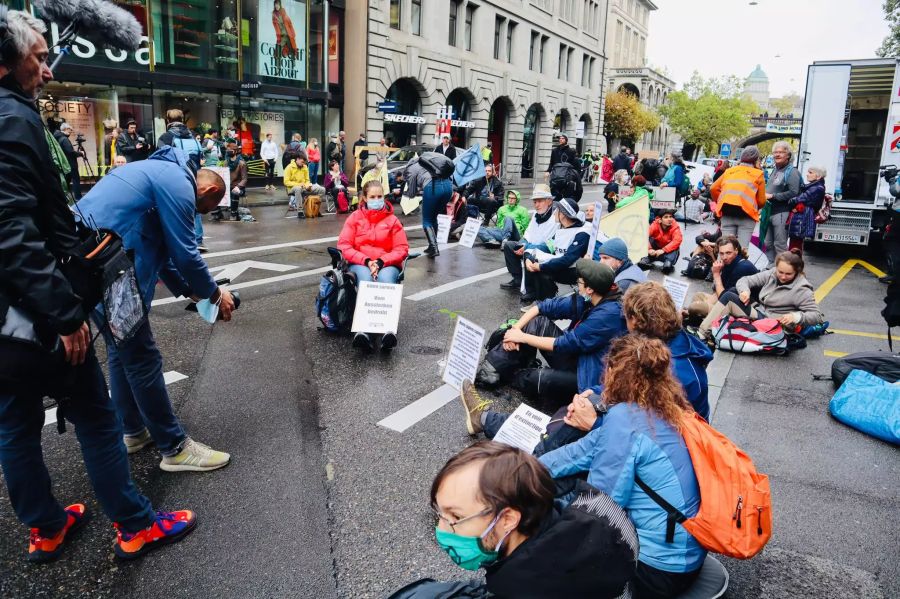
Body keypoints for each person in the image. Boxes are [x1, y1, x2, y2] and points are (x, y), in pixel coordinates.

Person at [0, 10, 197, 562]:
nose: (46, 69)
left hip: (6, 317)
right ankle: (135, 525)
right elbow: (13, 231)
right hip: (37, 307)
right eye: (37, 58)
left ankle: (47, 527)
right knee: (94, 415)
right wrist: (63, 314)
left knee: (14, 419)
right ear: (5, 63)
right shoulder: (12, 119)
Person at [76, 145, 235, 472]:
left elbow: (164, 254)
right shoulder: (178, 182)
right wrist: (216, 295)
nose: (198, 214)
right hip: (110, 274)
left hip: (89, 267)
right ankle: (175, 448)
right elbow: (186, 254)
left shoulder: (156, 173)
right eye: (203, 208)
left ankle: (133, 431)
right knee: (143, 358)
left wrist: (192, 292)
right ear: (208, 190)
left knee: (123, 356)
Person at [538, 335, 706, 598]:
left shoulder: (624, 419)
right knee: (555, 484)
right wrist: (524, 470)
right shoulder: (662, 409)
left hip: (657, 571)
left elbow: (599, 512)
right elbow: (576, 454)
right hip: (683, 553)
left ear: (615, 373)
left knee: (552, 548)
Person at [406, 441, 636, 599]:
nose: (441, 529)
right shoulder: (591, 517)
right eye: (439, 513)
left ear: (507, 519)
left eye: (455, 516)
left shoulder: (521, 588)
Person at [476, 261, 626, 409]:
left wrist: (522, 337)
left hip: (587, 374)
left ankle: (516, 373)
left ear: (589, 289)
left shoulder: (608, 315)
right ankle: (492, 368)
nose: (577, 284)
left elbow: (566, 343)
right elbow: (544, 307)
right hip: (575, 355)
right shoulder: (592, 297)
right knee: (537, 321)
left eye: (579, 282)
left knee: (534, 379)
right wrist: (514, 330)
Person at [337, 180, 409, 352]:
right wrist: (367, 261)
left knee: (386, 281)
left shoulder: (392, 220)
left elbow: (402, 248)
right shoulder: (354, 218)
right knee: (366, 281)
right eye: (373, 197)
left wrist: (382, 261)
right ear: (364, 198)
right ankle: (364, 332)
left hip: (387, 263)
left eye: (380, 196)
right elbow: (344, 246)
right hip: (361, 262)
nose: (377, 200)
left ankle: (388, 331)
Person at [698, 250, 825, 339]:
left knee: (728, 297)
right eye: (780, 272)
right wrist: (745, 291)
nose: (783, 276)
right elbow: (744, 280)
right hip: (762, 312)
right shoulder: (773, 273)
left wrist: (796, 317)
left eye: (788, 274)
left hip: (774, 323)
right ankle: (711, 324)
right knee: (733, 291)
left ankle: (702, 333)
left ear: (797, 272)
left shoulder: (802, 289)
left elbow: (817, 316)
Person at [522, 197, 592, 303]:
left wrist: (541, 267)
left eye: (556, 211)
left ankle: (546, 303)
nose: (554, 214)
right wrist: (529, 256)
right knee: (535, 263)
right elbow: (547, 246)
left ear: (563, 214)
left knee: (543, 271)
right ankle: (539, 299)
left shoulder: (581, 234)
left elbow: (567, 260)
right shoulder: (562, 228)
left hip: (576, 271)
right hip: (564, 266)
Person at [686, 235, 758, 324]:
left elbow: (724, 298)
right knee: (698, 296)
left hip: (744, 309)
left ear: (736, 251)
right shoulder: (730, 262)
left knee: (695, 307)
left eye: (728, 253)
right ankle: (695, 321)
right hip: (730, 300)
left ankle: (702, 325)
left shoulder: (742, 267)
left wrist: (716, 274)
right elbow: (716, 290)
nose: (724, 257)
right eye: (721, 253)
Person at [499, 184, 559, 291]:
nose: (536, 205)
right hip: (530, 246)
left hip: (545, 252)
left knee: (529, 253)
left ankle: (531, 287)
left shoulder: (556, 216)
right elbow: (528, 234)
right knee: (509, 246)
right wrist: (523, 244)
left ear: (549, 201)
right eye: (535, 202)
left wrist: (526, 247)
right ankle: (518, 279)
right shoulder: (537, 214)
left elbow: (550, 245)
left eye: (540, 201)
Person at [709, 146, 767, 249]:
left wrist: (721, 201)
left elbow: (713, 188)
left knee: (725, 248)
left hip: (727, 212)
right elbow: (762, 201)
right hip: (747, 216)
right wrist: (753, 205)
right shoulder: (758, 174)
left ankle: (721, 264)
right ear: (756, 159)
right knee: (742, 249)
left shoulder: (730, 171)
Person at [403, 153, 454, 257]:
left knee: (427, 219)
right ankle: (432, 246)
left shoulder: (410, 169)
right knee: (433, 217)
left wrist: (403, 193)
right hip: (449, 187)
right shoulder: (430, 160)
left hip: (434, 187)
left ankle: (434, 248)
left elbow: (412, 194)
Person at [765, 141, 801, 266]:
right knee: (767, 243)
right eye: (775, 152)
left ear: (788, 155)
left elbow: (794, 192)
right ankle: (771, 266)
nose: (777, 154)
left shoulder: (792, 172)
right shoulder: (774, 170)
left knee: (779, 244)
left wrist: (773, 196)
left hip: (782, 212)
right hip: (768, 212)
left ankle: (783, 269)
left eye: (781, 152)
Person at [787, 165, 826, 255]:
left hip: (802, 219)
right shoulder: (814, 186)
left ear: (818, 176)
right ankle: (794, 266)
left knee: (795, 246)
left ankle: (794, 266)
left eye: (810, 172)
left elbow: (799, 199)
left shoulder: (817, 188)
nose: (807, 174)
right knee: (795, 244)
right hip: (801, 218)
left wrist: (790, 200)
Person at [639, 209, 683, 274]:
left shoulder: (675, 226)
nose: (669, 219)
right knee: (650, 240)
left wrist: (663, 250)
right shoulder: (654, 225)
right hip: (656, 247)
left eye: (670, 217)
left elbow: (677, 240)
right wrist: (649, 249)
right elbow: (644, 236)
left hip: (668, 251)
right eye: (666, 217)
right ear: (660, 220)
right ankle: (646, 259)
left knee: (668, 265)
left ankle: (668, 263)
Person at [52, 122, 81, 199]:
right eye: (70, 130)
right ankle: (78, 197)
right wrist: (80, 153)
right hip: (70, 163)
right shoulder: (64, 139)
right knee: (75, 180)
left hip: (65, 163)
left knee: (66, 181)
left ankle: (64, 197)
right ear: (66, 129)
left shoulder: (58, 138)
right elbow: (70, 152)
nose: (71, 132)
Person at [225, 142, 248, 221]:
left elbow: (244, 179)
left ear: (235, 151)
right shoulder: (226, 162)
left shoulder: (242, 163)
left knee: (234, 192)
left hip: (239, 187)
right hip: (228, 186)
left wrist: (238, 187)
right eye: (227, 150)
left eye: (229, 150)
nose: (228, 151)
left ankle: (233, 214)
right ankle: (216, 213)